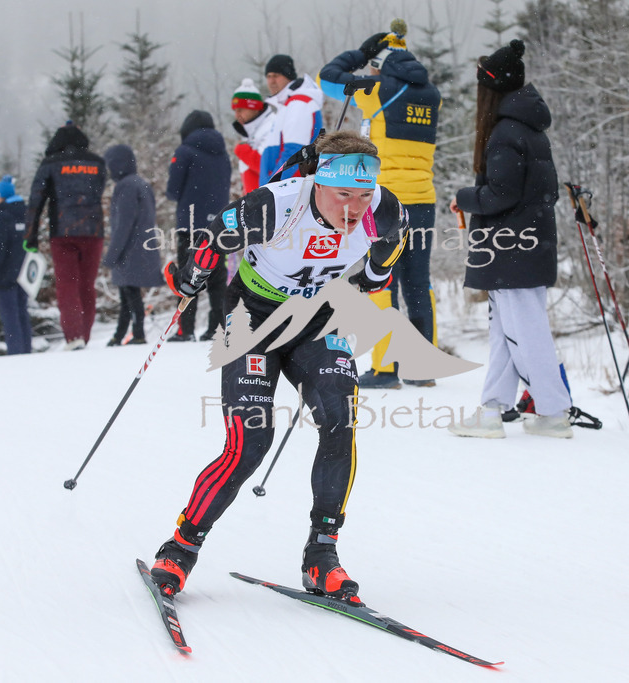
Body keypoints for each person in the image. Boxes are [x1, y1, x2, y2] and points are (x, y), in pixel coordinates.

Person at [147, 130, 409, 603]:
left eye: (364, 195)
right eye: (342, 195)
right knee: (250, 441)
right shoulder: (274, 205)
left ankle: (321, 555)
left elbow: (387, 251)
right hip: (252, 318)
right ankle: (181, 548)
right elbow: (212, 240)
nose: (354, 208)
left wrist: (373, 275)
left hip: (317, 321)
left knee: (339, 419)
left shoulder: (384, 209)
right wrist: (190, 278)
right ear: (317, 184)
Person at [448, 40, 573, 439]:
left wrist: (463, 197)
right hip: (527, 245)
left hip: (511, 249)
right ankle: (492, 411)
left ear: (492, 89)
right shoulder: (530, 130)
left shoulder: (504, 133)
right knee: (505, 333)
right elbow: (544, 194)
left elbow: (502, 194)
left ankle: (554, 412)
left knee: (525, 331)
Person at [319, 19, 442, 389]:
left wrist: (363, 52)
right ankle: (423, 366)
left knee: (380, 278)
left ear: (381, 66)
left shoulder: (377, 89)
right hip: (423, 197)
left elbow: (329, 78)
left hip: (386, 200)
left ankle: (385, 367)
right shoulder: (432, 94)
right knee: (419, 282)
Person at [23, 121, 107, 350]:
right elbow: (98, 191)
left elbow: (35, 201)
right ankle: (85, 336)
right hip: (93, 231)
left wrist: (30, 237)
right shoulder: (97, 163)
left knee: (67, 285)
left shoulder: (51, 164)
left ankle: (73, 336)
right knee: (87, 285)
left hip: (63, 232)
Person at [164, 110, 232, 342]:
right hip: (218, 225)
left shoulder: (184, 152)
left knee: (188, 276)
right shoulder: (223, 154)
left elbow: (172, 191)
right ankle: (218, 327)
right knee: (217, 277)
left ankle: (186, 329)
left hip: (190, 224)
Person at [103, 144, 164, 346]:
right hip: (143, 247)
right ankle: (119, 336)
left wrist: (112, 255)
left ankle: (137, 335)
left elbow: (123, 224)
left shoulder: (126, 186)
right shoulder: (141, 184)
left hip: (130, 250)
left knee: (130, 295)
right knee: (129, 294)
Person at [0, 174, 32, 355]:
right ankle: (26, 352)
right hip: (24, 273)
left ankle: (16, 356)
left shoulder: (2, 216)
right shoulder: (25, 214)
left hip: (5, 276)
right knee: (22, 314)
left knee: (10, 319)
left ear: (2, 196)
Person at [259, 54, 324, 185]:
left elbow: (294, 152)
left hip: (288, 188)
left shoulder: (299, 104)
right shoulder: (289, 104)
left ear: (288, 76)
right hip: (283, 187)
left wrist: (273, 184)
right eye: (269, 76)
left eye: (276, 76)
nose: (271, 81)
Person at [230, 78, 274, 194]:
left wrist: (241, 150)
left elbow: (265, 165)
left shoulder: (270, 127)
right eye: (235, 110)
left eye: (240, 109)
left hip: (267, 201)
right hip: (257, 202)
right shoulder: (252, 130)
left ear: (254, 108)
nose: (237, 114)